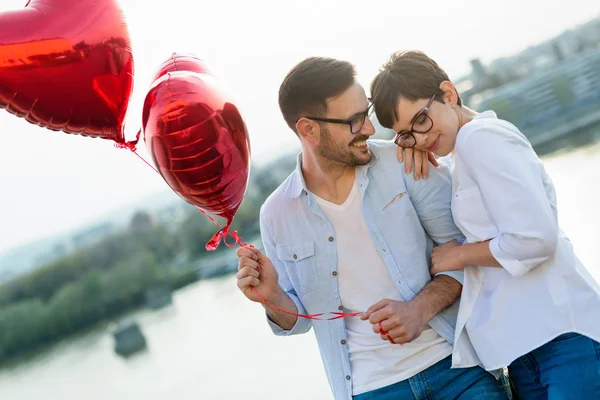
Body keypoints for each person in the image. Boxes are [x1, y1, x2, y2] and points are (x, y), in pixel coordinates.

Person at [235, 56, 509, 400]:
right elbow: (300, 319)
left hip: (457, 368)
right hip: (370, 391)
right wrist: (271, 297)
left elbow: (466, 253)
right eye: (353, 121)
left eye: (364, 113)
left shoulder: (405, 163)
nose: (368, 128)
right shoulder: (276, 215)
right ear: (307, 130)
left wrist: (417, 310)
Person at [370, 49, 600, 399]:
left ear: (448, 93)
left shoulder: (480, 138)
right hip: (529, 349)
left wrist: (458, 255)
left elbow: (536, 238)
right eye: (404, 133)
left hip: (563, 339)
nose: (417, 137)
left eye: (420, 120)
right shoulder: (463, 151)